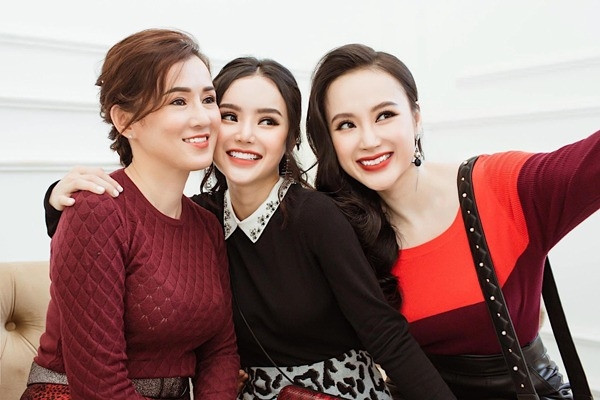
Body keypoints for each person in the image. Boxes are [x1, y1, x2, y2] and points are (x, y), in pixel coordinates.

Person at [41, 57, 457, 399]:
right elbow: (113, 233)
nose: (245, 135)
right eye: (229, 116)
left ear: (290, 137)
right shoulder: (199, 217)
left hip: (334, 391)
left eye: (268, 121)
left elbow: (384, 333)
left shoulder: (316, 217)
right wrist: (55, 198)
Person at [305, 43, 600, 399]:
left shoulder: (500, 187)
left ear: (416, 118)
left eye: (385, 115)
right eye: (346, 124)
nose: (369, 140)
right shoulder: (338, 231)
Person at [21, 28, 239, 400]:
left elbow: (221, 352)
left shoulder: (205, 224)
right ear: (126, 121)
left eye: (208, 99)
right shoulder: (97, 210)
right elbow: (99, 383)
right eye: (178, 101)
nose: (204, 117)